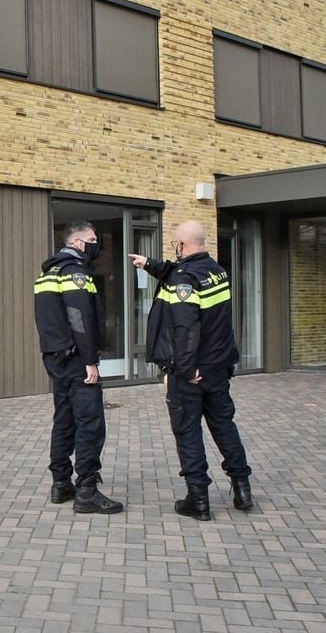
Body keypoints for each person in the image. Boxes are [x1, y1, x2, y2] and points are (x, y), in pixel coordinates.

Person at [129, 221, 253, 521]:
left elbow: (186, 328)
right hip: (218, 367)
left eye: (176, 244)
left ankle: (198, 499)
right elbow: (181, 271)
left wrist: (184, 370)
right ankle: (242, 489)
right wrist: (150, 264)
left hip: (192, 371)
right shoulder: (216, 270)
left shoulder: (183, 280)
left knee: (188, 432)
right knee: (224, 427)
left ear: (182, 245)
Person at [33, 221, 124, 514]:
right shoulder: (75, 272)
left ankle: (61, 483)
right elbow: (79, 317)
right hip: (76, 359)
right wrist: (89, 361)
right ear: (76, 243)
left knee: (64, 420)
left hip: (55, 356)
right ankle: (87, 490)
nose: (97, 244)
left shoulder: (48, 272)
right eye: (92, 239)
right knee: (90, 423)